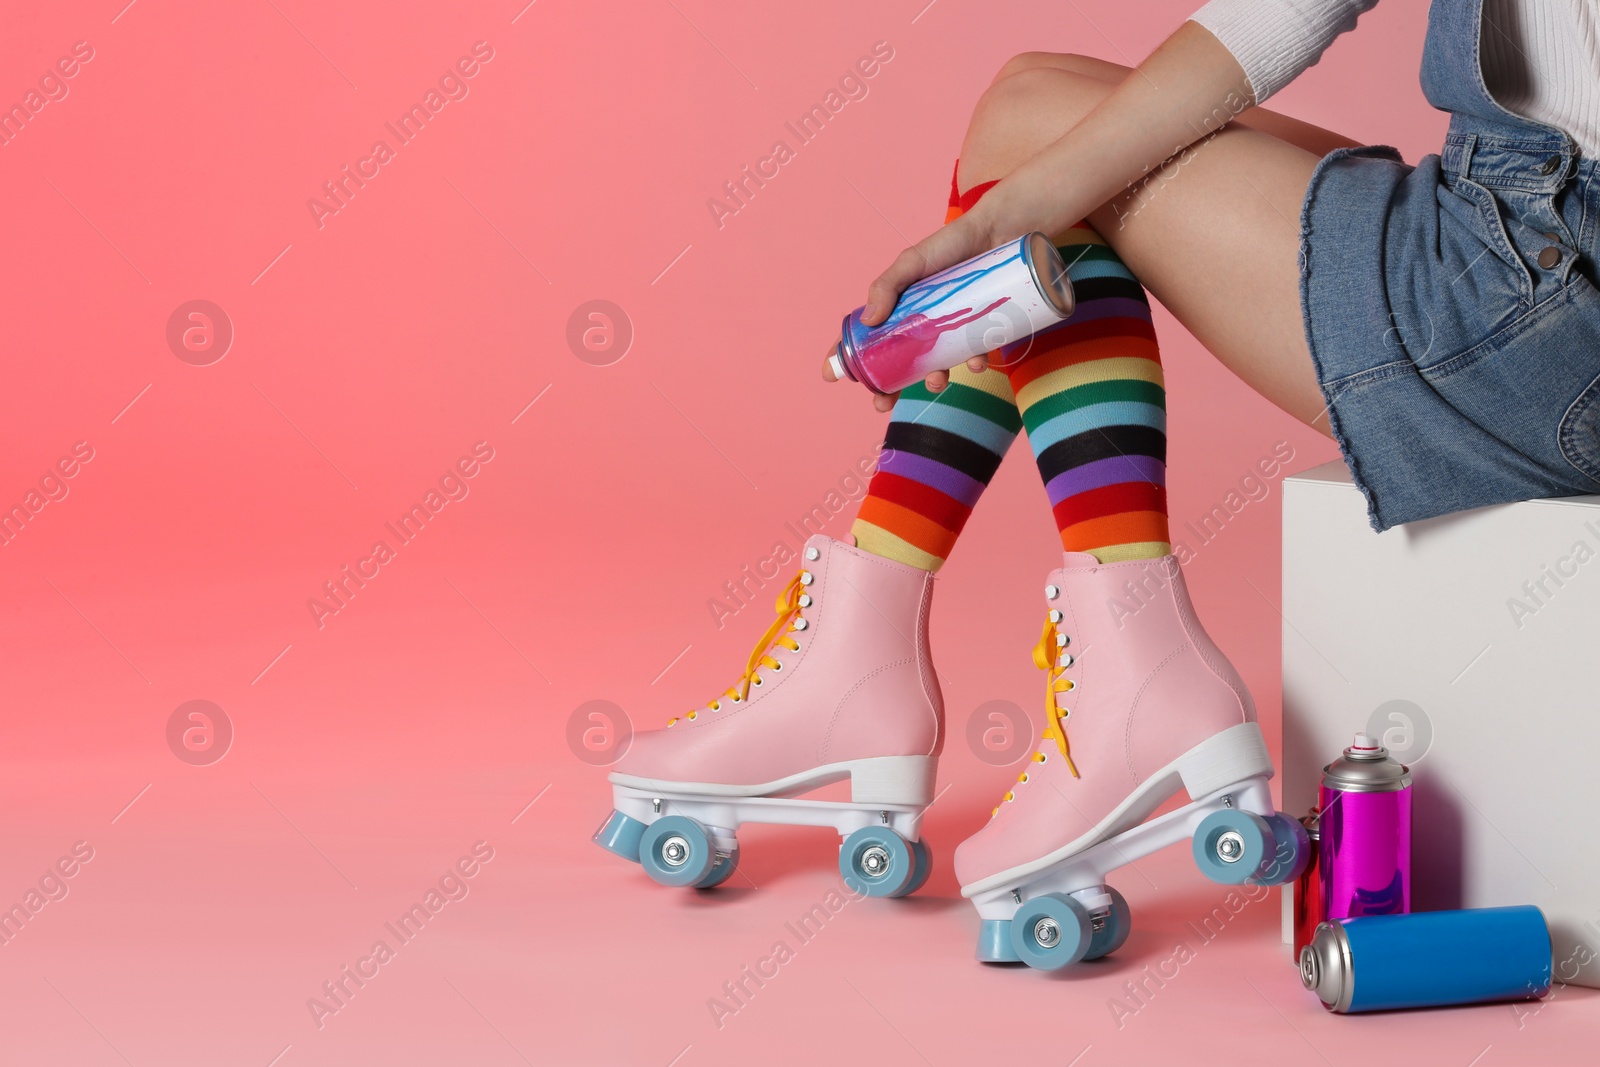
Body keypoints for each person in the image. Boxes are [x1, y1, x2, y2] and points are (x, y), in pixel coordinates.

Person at [599, 0, 1600, 957]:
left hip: (1536, 292)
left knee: (1030, 131)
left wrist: (1025, 199)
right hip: (1531, 236)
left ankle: (1040, 669)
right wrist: (1029, 202)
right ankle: (871, 656)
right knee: (1044, 107)